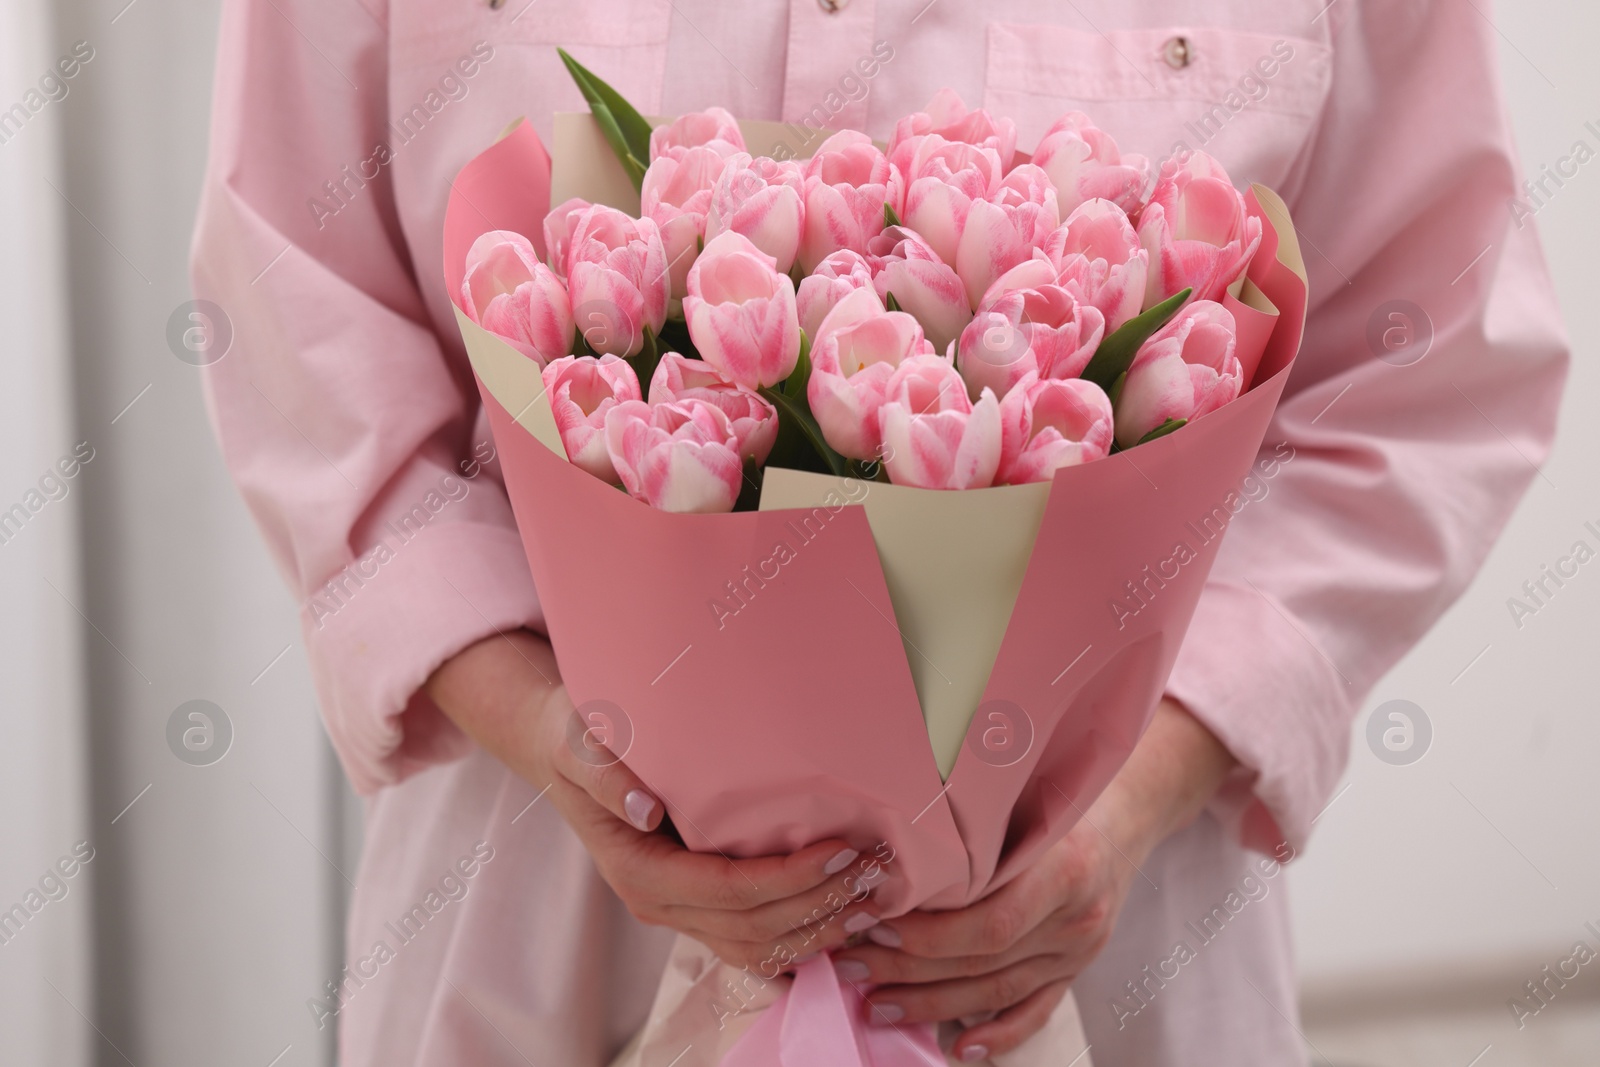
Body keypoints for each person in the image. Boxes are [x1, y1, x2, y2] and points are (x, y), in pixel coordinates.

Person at [192, 1, 1567, 1064]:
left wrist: (1135, 788)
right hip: (534, 919)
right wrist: (554, 737)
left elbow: (1427, 361)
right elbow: (294, 307)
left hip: (1102, 939)